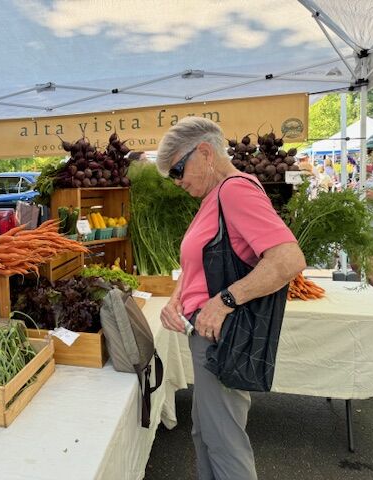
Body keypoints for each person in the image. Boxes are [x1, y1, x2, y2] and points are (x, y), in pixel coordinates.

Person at [157, 117, 306, 480]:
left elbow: (288, 260)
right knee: (207, 434)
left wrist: (223, 301)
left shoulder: (235, 191)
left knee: (223, 441)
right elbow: (202, 262)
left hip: (223, 339)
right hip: (208, 336)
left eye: (178, 169)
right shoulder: (215, 196)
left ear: (205, 153)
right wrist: (179, 296)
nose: (178, 182)